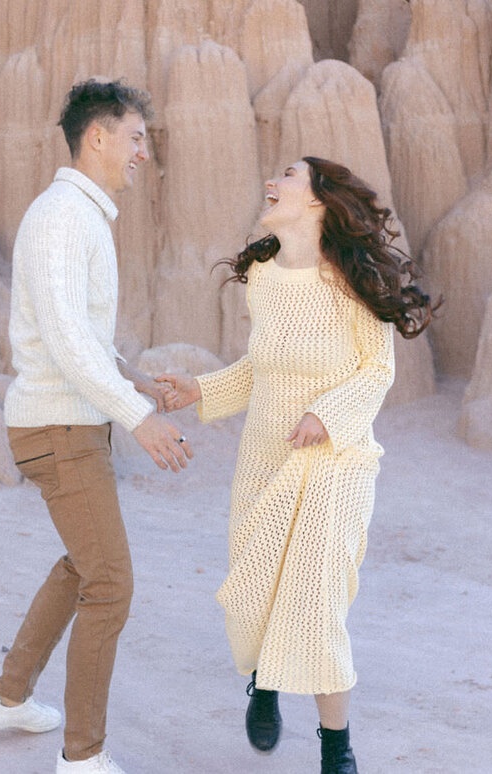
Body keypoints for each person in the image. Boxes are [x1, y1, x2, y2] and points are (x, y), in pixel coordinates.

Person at [157, 157, 437, 774]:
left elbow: (377, 370)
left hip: (336, 465)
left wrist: (329, 416)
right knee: (255, 590)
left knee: (315, 601)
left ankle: (336, 746)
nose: (270, 181)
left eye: (286, 175)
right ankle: (264, 684)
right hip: (264, 454)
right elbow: (262, 369)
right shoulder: (262, 275)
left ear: (316, 201)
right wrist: (199, 391)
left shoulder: (351, 281)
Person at [0, 79, 194, 774]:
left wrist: (127, 376)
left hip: (69, 422)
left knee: (82, 566)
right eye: (135, 138)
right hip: (60, 429)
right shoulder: (66, 215)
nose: (143, 154)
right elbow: (65, 338)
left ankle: (7, 701)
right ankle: (83, 755)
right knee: (111, 582)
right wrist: (141, 418)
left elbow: (75, 335)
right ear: (96, 137)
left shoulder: (77, 215)